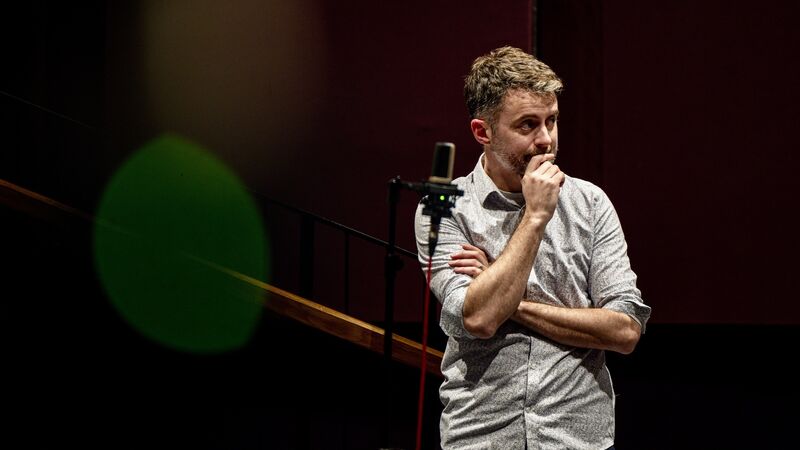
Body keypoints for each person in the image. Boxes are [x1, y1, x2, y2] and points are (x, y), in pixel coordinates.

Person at [414, 46, 651, 450]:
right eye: (527, 125)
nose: (546, 140)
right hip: (482, 436)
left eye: (551, 121)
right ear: (482, 132)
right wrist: (536, 217)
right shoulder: (445, 208)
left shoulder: (590, 204)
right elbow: (479, 319)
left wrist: (507, 298)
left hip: (575, 437)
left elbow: (625, 330)